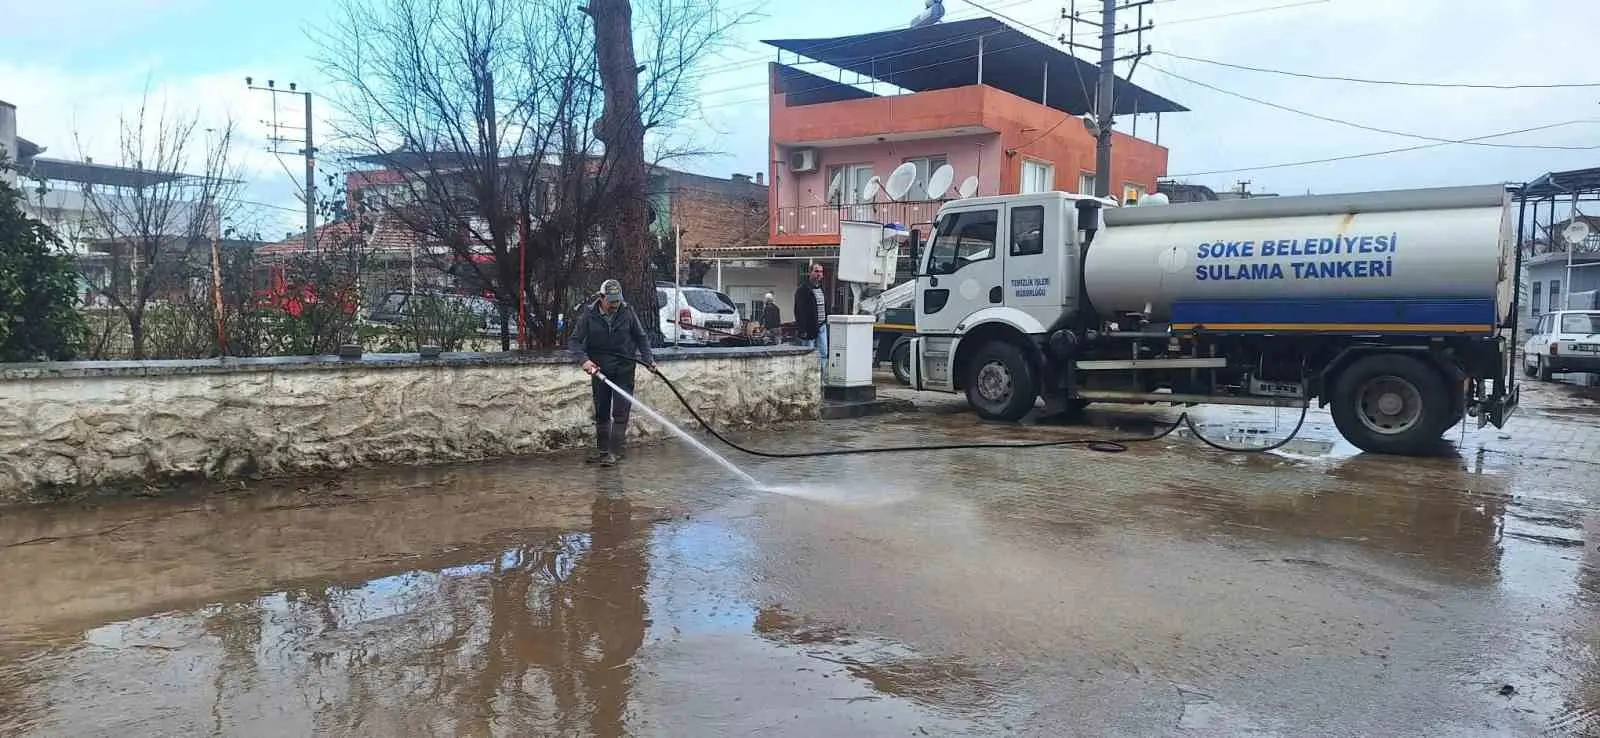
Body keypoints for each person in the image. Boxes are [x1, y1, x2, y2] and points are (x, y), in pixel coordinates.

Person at [568, 279, 656, 466]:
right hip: (599, 370)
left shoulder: (627, 312)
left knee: (620, 411)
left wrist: (648, 359)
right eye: (612, 301)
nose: (616, 305)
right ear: (601, 298)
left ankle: (614, 452)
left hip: (624, 369)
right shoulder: (589, 315)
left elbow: (641, 337)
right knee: (601, 411)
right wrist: (584, 361)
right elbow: (574, 341)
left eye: (618, 301)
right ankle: (602, 450)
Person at [792, 263, 830, 374]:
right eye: (816, 271)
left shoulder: (822, 289)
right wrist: (802, 329)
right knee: (808, 354)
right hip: (809, 328)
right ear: (810, 273)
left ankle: (821, 379)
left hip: (822, 326)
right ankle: (808, 377)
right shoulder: (803, 289)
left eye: (821, 272)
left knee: (823, 353)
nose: (819, 274)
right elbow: (799, 311)